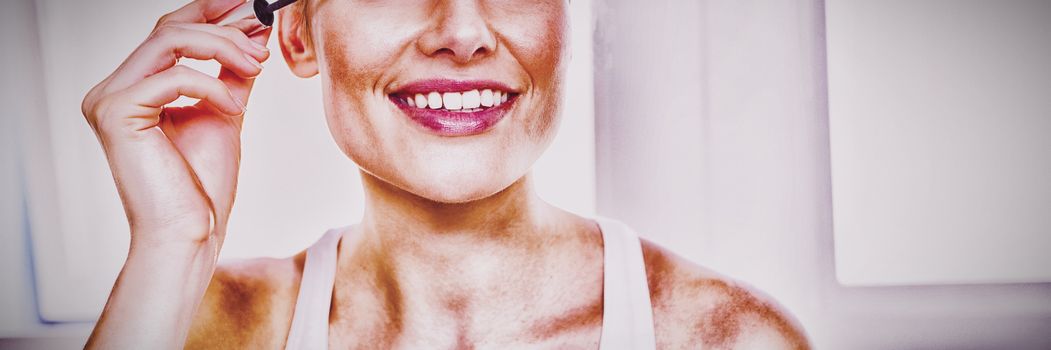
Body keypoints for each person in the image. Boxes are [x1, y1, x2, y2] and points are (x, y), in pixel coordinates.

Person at [80, 0, 809, 348]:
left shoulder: (727, 338)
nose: (461, 33)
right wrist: (172, 248)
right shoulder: (209, 329)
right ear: (298, 35)